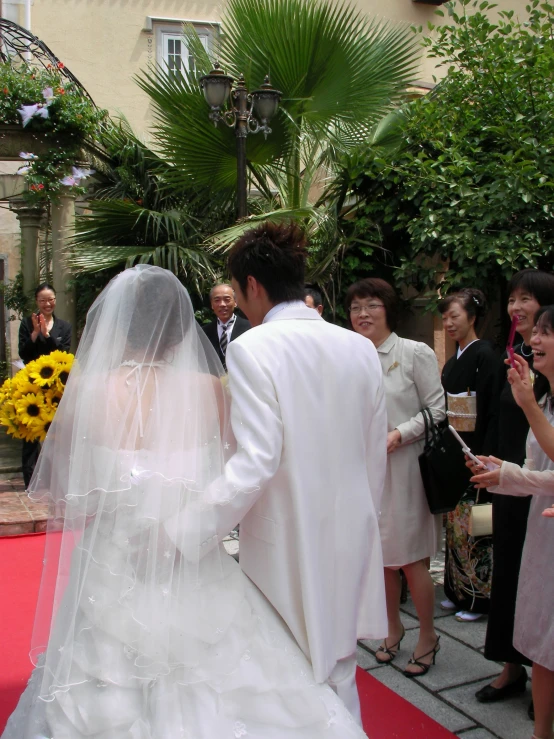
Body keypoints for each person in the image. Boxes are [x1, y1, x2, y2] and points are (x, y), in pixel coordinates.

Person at [2, 264, 371, 739]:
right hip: (191, 555)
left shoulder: (87, 391)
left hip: (113, 558)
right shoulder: (210, 392)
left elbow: (72, 491)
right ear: (181, 331)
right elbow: (229, 471)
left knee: (101, 676)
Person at [346, 277, 445, 677]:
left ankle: (428, 635)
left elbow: (438, 410)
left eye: (371, 306)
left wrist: (399, 434)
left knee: (410, 559)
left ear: (388, 309)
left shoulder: (413, 352)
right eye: (355, 308)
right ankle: (392, 627)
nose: (363, 314)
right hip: (367, 471)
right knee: (383, 559)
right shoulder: (350, 356)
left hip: (405, 468)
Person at [469, 310, 554, 739]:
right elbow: (533, 468)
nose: (534, 339)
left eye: (545, 332)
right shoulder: (543, 399)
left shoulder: (536, 403)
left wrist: (511, 476)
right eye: (534, 331)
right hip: (543, 535)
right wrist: (502, 469)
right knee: (542, 638)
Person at [438, 289, 500, 622]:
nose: (448, 323)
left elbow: (490, 410)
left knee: (477, 526)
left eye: (455, 316)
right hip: (457, 448)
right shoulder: (454, 360)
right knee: (456, 525)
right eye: (445, 317)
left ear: (472, 318)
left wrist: (486, 454)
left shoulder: (486, 356)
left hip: (477, 450)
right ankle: (456, 589)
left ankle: (478, 598)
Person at [18, 283, 71, 488]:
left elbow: (64, 352)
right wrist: (34, 334)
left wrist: (47, 335)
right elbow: (24, 353)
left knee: (57, 433)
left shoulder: (64, 326)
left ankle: (55, 479)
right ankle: (30, 480)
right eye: (42, 300)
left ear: (55, 300)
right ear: (37, 302)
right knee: (30, 431)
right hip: (32, 383)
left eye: (50, 300)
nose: (47, 304)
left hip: (56, 386)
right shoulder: (26, 323)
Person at [202, 282, 250, 369]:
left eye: (227, 299)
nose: (222, 304)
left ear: (235, 302)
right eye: (217, 300)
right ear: (212, 305)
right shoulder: (204, 332)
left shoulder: (249, 328)